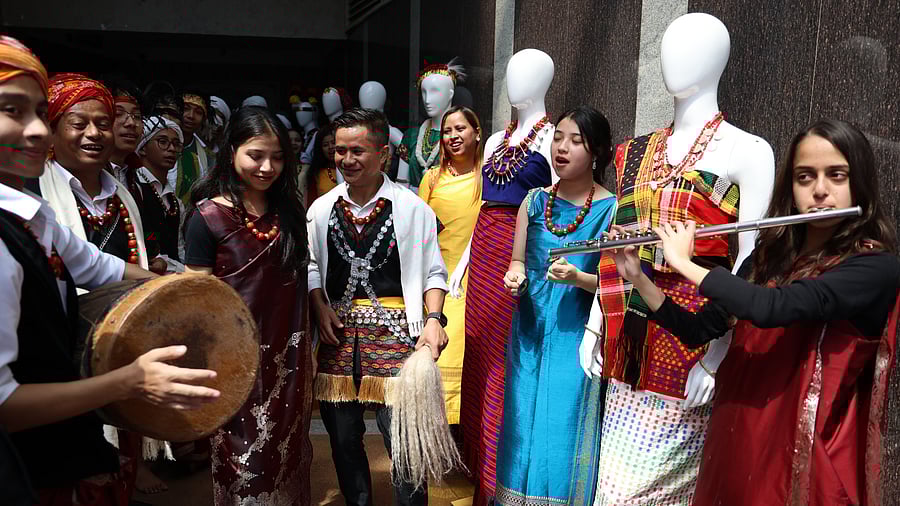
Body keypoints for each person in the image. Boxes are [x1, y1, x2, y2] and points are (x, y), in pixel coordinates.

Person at [607, 119, 899, 505]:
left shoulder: (874, 266)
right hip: (737, 435)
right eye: (805, 177)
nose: (821, 190)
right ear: (791, 188)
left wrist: (683, 262)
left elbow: (771, 308)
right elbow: (700, 329)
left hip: (807, 455)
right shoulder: (768, 256)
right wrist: (638, 279)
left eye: (837, 175)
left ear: (858, 182)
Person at [0, 35, 219, 506]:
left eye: (39, 111)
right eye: (11, 110)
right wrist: (128, 381)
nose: (37, 131)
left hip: (50, 451)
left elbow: (105, 268)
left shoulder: (31, 218)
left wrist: (194, 296)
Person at [307, 108, 449, 506]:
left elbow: (434, 271)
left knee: (405, 442)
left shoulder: (412, 208)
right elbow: (312, 266)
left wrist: (434, 320)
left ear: (383, 154)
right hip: (338, 342)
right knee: (344, 442)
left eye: (358, 151)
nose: (346, 160)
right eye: (339, 151)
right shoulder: (320, 209)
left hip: (398, 337)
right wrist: (318, 305)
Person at [184, 105, 313, 505]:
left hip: (288, 356)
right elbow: (197, 297)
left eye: (277, 157)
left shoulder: (289, 213)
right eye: (255, 155)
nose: (266, 166)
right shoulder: (206, 217)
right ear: (232, 151)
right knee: (241, 459)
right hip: (232, 359)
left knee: (288, 452)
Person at [495, 106, 616, 505]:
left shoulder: (610, 209)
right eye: (558, 138)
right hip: (528, 331)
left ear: (596, 151)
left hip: (576, 337)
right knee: (521, 424)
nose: (561, 148)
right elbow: (517, 259)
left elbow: (617, 287)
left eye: (575, 141)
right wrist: (515, 276)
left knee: (562, 426)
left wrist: (578, 278)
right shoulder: (533, 202)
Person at [34, 73, 150, 272]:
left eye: (103, 125)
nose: (94, 133)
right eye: (79, 124)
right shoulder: (31, 191)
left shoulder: (123, 197)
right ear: (51, 132)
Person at [417, 105, 483, 426]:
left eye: (460, 129)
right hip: (438, 283)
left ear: (477, 133)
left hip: (477, 281)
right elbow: (418, 235)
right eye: (447, 131)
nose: (453, 137)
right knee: (436, 354)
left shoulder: (488, 179)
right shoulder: (432, 179)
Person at [129, 116, 184, 273]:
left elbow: (179, 248)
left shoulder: (175, 202)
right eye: (163, 141)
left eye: (176, 144)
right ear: (143, 147)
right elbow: (147, 239)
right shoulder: (133, 187)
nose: (171, 149)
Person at [102, 76, 143, 182]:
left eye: (137, 116)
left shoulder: (138, 181)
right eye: (118, 114)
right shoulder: (86, 174)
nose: (131, 123)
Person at [175, 91, 211, 205]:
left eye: (198, 112)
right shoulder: (155, 144)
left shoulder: (207, 156)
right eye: (186, 109)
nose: (191, 116)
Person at [304, 122, 338, 207]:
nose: (330, 147)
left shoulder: (350, 169)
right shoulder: (316, 173)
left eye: (333, 142)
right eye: (325, 145)